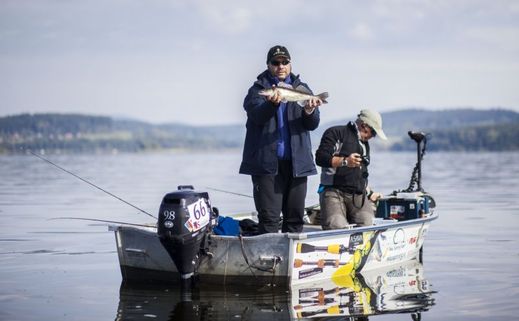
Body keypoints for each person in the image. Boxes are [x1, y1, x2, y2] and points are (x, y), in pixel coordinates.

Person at [239, 45, 323, 234]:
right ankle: (267, 261)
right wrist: (271, 103)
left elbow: (312, 124)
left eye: (285, 62)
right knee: (269, 219)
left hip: (297, 166)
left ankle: (291, 261)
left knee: (295, 219)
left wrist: (309, 110)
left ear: (290, 64)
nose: (281, 66)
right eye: (276, 63)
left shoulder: (302, 88)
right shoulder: (257, 90)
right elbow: (257, 116)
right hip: (267, 167)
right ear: (268, 65)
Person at [315, 109, 387, 229]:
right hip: (333, 191)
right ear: (364, 125)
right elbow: (320, 158)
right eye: (373, 132)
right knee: (336, 225)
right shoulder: (335, 132)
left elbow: (360, 174)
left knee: (368, 224)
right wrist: (345, 161)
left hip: (357, 194)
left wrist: (370, 193)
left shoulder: (364, 144)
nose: (373, 137)